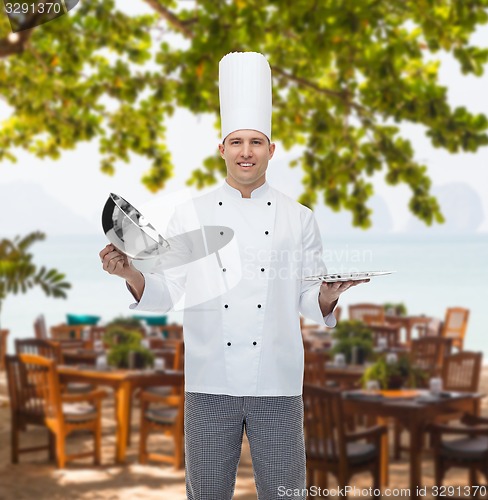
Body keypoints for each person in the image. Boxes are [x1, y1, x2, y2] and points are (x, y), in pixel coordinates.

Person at [100, 52, 368, 500]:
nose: (247, 152)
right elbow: (171, 291)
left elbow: (306, 296)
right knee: (205, 494)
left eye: (256, 142)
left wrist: (326, 296)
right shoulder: (191, 214)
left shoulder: (298, 217)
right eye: (237, 142)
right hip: (209, 382)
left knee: (286, 494)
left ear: (271, 149)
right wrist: (130, 272)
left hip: (278, 384)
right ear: (222, 148)